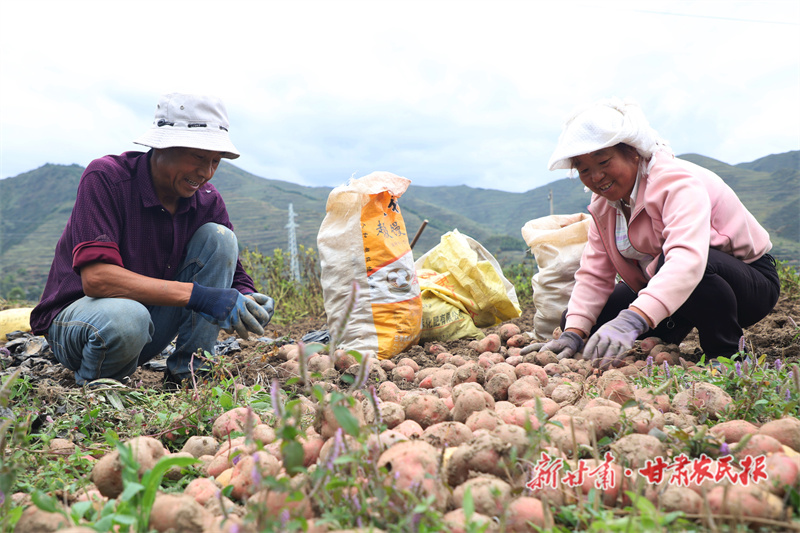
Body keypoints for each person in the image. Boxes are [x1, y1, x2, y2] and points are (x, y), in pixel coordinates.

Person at [30, 92, 275, 387]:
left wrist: (248, 299)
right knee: (127, 316)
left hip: (147, 328)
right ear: (163, 145)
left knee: (219, 237)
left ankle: (190, 374)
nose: (206, 173)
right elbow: (97, 280)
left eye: (215, 161)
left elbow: (232, 274)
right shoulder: (107, 178)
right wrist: (201, 296)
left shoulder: (207, 201)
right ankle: (96, 388)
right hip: (83, 326)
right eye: (198, 157)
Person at [532, 98, 779, 369]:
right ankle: (668, 334)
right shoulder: (604, 205)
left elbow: (687, 261)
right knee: (585, 320)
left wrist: (634, 318)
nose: (596, 176)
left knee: (678, 265)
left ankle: (727, 356)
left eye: (603, 162)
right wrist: (574, 332)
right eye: (584, 169)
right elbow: (594, 273)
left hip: (746, 285)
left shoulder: (675, 182)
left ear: (633, 152)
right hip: (672, 285)